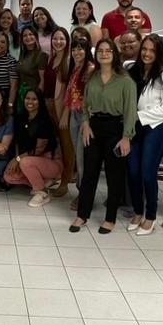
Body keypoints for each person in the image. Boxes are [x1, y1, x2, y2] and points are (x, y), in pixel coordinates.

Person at [71, 39, 137, 234]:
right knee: (89, 173)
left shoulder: (125, 81)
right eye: (100, 50)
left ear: (114, 54)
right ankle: (82, 215)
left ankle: (110, 218)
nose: (104, 53)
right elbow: (85, 104)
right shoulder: (92, 77)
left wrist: (126, 137)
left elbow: (130, 111)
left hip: (116, 129)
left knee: (113, 176)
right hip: (94, 128)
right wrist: (85, 122)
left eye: (108, 50)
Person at [125, 34, 163, 236]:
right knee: (133, 172)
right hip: (134, 128)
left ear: (158, 53)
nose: (147, 53)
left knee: (147, 173)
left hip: (156, 128)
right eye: (144, 49)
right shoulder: (132, 70)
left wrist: (139, 116)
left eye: (152, 50)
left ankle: (151, 216)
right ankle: (138, 211)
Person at [4, 89, 60, 207]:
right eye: (27, 98)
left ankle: (42, 192)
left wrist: (18, 159)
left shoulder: (44, 120)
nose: (30, 102)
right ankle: (43, 182)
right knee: (9, 176)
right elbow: (17, 143)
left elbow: (39, 150)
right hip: (28, 159)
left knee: (25, 162)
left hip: (49, 160)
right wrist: (16, 159)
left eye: (34, 99)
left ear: (40, 101)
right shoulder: (21, 117)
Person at [61, 39, 95, 209]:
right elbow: (70, 92)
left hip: (84, 117)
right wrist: (66, 113)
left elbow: (91, 96)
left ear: (87, 50)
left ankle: (85, 196)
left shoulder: (90, 68)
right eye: (74, 49)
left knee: (82, 159)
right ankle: (82, 192)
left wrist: (87, 120)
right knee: (78, 156)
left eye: (80, 49)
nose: (76, 52)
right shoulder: (75, 67)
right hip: (74, 114)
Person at [43, 28, 74, 198]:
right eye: (55, 39)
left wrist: (65, 114)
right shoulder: (52, 58)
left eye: (61, 39)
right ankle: (58, 176)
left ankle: (65, 182)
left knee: (67, 147)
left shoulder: (68, 61)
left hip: (62, 109)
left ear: (67, 41)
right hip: (49, 106)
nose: (58, 42)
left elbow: (71, 91)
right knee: (58, 145)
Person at [16, 27, 46, 114]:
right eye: (25, 35)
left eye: (30, 34)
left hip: (33, 97)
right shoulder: (22, 54)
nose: (28, 37)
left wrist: (37, 97)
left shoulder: (41, 55)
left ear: (36, 37)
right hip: (21, 95)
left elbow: (43, 80)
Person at [0, 30, 19, 113]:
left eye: (3, 42)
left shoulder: (11, 61)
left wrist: (10, 104)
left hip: (5, 97)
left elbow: (14, 86)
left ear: (7, 45)